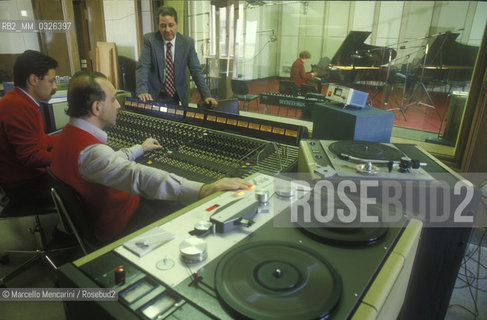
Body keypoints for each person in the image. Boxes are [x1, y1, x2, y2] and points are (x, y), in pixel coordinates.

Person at [51, 71, 251, 242]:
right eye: (113, 99)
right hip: (120, 222)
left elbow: (109, 162)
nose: (118, 106)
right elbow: (140, 177)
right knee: (185, 211)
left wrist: (140, 148)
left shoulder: (67, 134)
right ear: (96, 108)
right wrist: (203, 189)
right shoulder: (92, 153)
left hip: (103, 213)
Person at [0, 50, 58, 204]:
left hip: (24, 180)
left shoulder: (17, 100)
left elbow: (36, 140)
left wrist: (65, 139)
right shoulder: (18, 107)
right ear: (33, 79)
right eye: (51, 81)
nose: (55, 86)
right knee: (86, 189)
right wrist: (72, 156)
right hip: (25, 187)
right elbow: (31, 157)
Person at [136, 5, 217, 108]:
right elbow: (143, 67)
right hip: (155, 95)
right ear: (158, 26)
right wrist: (142, 91)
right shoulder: (150, 40)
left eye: (171, 25)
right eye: (163, 26)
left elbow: (196, 71)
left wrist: (206, 95)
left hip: (177, 95)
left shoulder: (187, 43)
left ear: (177, 24)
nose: (167, 29)